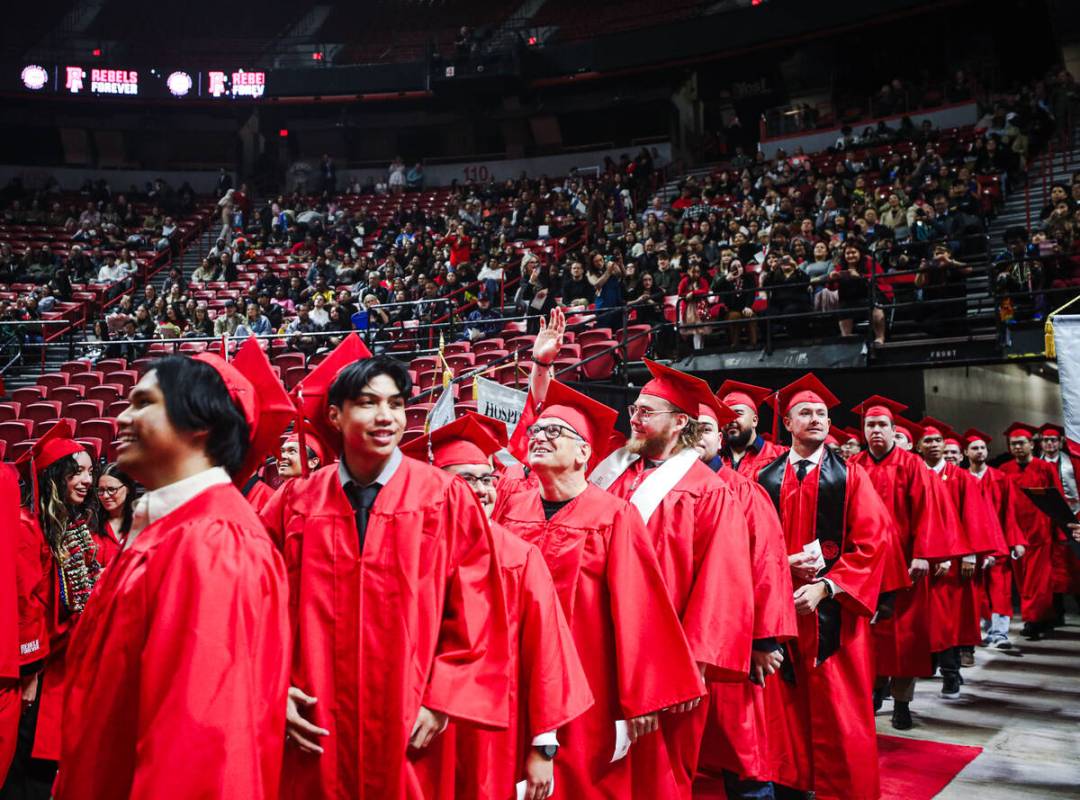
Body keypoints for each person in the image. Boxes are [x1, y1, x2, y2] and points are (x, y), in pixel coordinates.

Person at [262, 335, 511, 799]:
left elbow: (476, 608)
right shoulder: (295, 501)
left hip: (411, 713)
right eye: (368, 403)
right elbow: (256, 608)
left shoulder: (443, 497)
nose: (386, 417)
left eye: (396, 404)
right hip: (315, 721)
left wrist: (443, 700)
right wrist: (272, 690)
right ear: (335, 416)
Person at [53, 342, 293, 800]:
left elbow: (196, 741)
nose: (122, 418)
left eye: (144, 404)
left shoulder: (212, 541)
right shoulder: (165, 530)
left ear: (201, 425)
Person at [493, 378, 704, 798]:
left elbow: (639, 608)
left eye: (556, 431)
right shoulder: (512, 507)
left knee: (579, 779)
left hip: (588, 680)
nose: (540, 437)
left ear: (584, 454)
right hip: (513, 670)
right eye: (538, 430)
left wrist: (639, 697)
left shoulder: (613, 516)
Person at [579, 358, 756, 800]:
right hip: (598, 648)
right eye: (634, 409)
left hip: (664, 661)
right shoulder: (612, 474)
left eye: (644, 411)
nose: (633, 419)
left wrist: (688, 669)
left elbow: (722, 585)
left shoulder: (708, 491)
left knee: (658, 772)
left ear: (679, 423)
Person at [401, 414, 593, 800]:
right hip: (417, 725)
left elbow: (547, 656)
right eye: (466, 479)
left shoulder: (518, 557)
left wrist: (543, 745)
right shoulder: (403, 548)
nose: (483, 490)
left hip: (490, 732)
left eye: (487, 478)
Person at [755, 374, 896, 799]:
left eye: (821, 414)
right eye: (806, 413)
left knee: (840, 709)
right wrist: (781, 574)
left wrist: (827, 588)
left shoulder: (850, 477)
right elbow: (753, 546)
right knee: (784, 710)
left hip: (836, 617)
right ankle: (791, 788)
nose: (815, 419)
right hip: (781, 614)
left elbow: (874, 544)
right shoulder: (766, 479)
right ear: (789, 424)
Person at [694, 403, 798, 799]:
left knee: (742, 751)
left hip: (733, 645)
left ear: (719, 438)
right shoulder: (663, 488)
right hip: (682, 645)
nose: (696, 436)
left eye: (705, 428)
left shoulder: (745, 492)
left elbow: (768, 565)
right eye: (689, 427)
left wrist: (764, 641)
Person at [846, 399, 954, 729]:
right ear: (864, 432)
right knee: (871, 638)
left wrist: (922, 553)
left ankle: (902, 704)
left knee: (905, 641)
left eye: (882, 425)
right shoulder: (854, 464)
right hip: (866, 568)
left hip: (906, 568)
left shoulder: (912, 465)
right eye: (870, 426)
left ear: (894, 431)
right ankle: (874, 692)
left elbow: (927, 511)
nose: (876, 430)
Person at [6, 426, 100, 800]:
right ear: (54, 476)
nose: (87, 480)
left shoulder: (70, 526)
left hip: (64, 661)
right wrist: (28, 673)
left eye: (90, 472)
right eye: (77, 471)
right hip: (37, 669)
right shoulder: (29, 528)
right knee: (26, 762)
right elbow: (27, 608)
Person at [915, 417, 1004, 686]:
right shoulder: (914, 474)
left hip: (953, 561)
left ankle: (951, 673)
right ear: (918, 446)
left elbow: (974, 519)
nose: (933, 445)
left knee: (947, 620)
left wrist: (969, 555)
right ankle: (925, 666)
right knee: (923, 619)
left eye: (938, 440)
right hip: (921, 561)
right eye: (927, 440)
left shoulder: (961, 478)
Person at [999, 422, 1067, 640]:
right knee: (1022, 579)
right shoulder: (1005, 470)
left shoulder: (1044, 468)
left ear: (1031, 444)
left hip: (1040, 530)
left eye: (1021, 443)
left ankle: (1033, 620)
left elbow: (1057, 499)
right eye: (1013, 444)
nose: (1017, 447)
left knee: (1038, 581)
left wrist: (1062, 528)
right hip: (1015, 531)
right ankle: (1041, 618)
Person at [963, 429, 1026, 649]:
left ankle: (1000, 633)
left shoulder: (1001, 478)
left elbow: (1010, 512)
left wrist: (1015, 541)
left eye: (982, 448)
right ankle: (985, 628)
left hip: (997, 542)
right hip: (972, 546)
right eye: (974, 448)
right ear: (965, 452)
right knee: (978, 591)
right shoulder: (962, 479)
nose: (979, 451)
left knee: (1000, 589)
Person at [1037, 423, 1080, 618]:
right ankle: (1055, 611)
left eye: (1053, 440)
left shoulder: (1071, 462)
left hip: (1072, 517)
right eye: (1045, 440)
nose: (1049, 444)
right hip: (1045, 522)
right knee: (1049, 568)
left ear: (1060, 441)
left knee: (1073, 566)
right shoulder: (1035, 463)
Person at [716, 380, 787, 476]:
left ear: (755, 421)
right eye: (726, 415)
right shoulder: (714, 458)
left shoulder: (781, 455)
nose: (731, 420)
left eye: (738, 413)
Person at [95, 464, 137, 567]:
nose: (105, 496)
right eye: (101, 490)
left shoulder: (140, 523)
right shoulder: (92, 524)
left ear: (127, 489)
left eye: (111, 489)